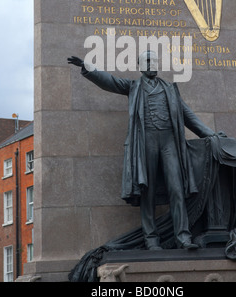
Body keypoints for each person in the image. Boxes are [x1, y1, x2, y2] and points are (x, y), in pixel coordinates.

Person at [68, 51, 215, 250]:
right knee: (148, 191)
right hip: (146, 141)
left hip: (169, 141)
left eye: (154, 60)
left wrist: (209, 134)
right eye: (147, 61)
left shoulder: (170, 89)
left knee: (177, 188)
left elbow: (188, 115)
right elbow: (110, 81)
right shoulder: (133, 87)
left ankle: (183, 237)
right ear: (140, 66)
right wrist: (87, 67)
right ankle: (151, 239)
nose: (152, 64)